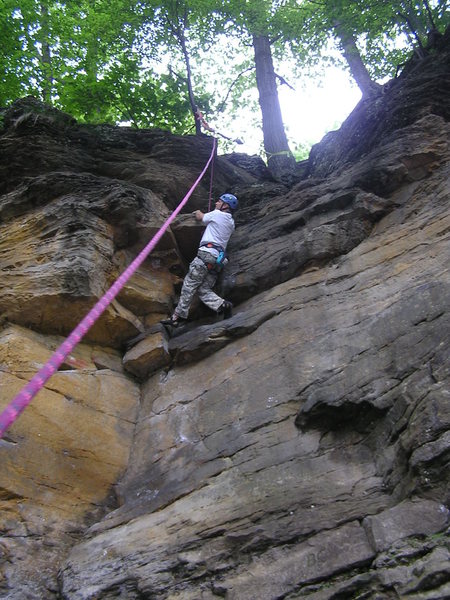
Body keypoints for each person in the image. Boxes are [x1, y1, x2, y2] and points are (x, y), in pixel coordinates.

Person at [162, 193, 238, 328]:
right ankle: (223, 305)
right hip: (217, 260)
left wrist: (198, 212)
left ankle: (177, 317)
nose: (216, 203)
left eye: (219, 202)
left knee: (189, 285)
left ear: (225, 205)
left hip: (206, 255)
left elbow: (200, 217)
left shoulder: (217, 214)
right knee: (203, 289)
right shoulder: (231, 222)